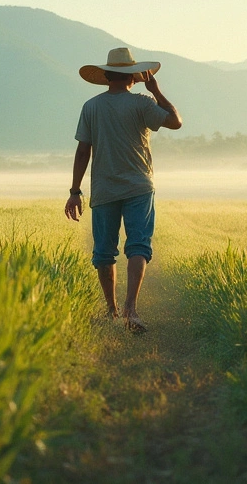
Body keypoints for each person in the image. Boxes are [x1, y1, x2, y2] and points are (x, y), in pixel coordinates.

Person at [65, 47, 182, 332]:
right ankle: (131, 310)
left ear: (106, 77)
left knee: (104, 252)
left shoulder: (91, 106)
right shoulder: (142, 103)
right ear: (133, 77)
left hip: (104, 188)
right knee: (138, 246)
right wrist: (156, 90)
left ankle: (111, 310)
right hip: (139, 186)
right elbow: (175, 122)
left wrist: (75, 191)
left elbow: (83, 152)